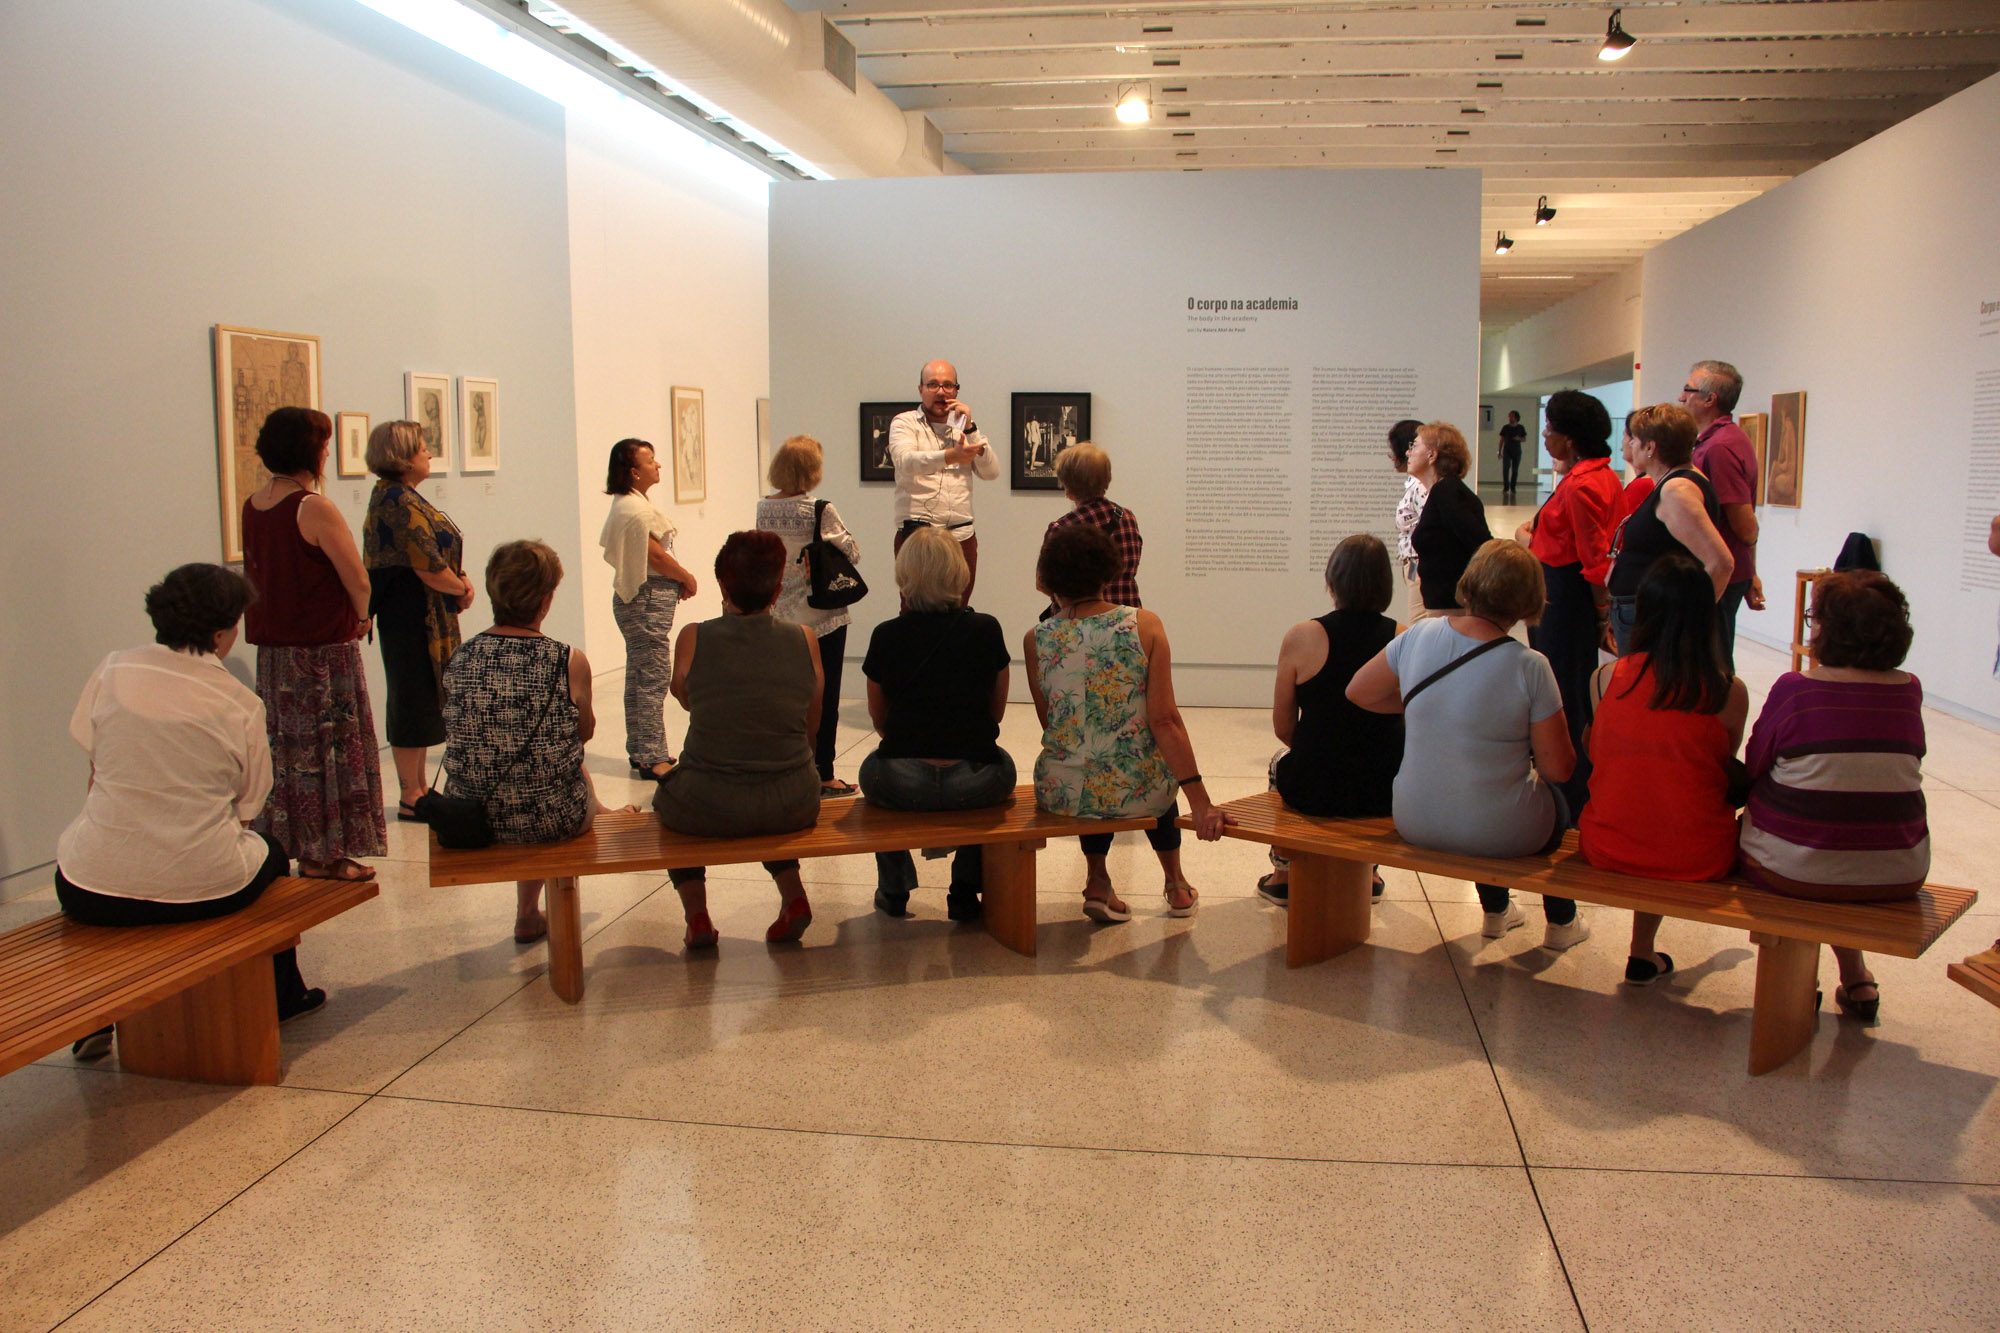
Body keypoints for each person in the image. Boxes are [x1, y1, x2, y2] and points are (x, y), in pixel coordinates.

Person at [56, 564, 325, 1060]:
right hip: (203, 890)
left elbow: (95, 765)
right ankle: (285, 997)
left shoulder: (113, 669)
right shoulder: (239, 702)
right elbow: (248, 805)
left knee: (99, 859)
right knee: (273, 853)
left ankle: (95, 1017)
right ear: (220, 634)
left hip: (89, 889)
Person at [1347, 539, 1588, 950]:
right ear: (1530, 597)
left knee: (1484, 789)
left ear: (1471, 582)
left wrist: (1428, 709)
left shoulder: (1419, 634)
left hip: (1414, 818)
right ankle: (1562, 922)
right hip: (1497, 830)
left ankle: (1497, 911)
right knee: (1555, 804)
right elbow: (1558, 768)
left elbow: (1359, 691)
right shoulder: (1531, 665)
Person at [1738, 571, 1928, 1022]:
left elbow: (1755, 765)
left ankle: (1799, 984)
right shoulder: (1909, 689)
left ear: (1828, 628)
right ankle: (1855, 974)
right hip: (1899, 867)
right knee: (1843, 821)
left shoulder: (1797, 688)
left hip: (1795, 869)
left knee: (1808, 830)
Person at [1026, 524, 1227, 922]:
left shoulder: (1037, 638)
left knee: (1094, 768)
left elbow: (1051, 722)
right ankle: (1176, 884)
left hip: (1061, 792)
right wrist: (1200, 802)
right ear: (1109, 572)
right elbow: (1165, 721)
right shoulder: (1144, 625)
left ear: (1048, 578)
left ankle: (1097, 879)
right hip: (1140, 792)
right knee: (1150, 770)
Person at [442, 541, 629, 944]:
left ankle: (527, 912)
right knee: (556, 764)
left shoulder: (461, 656)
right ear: (545, 601)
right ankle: (599, 814)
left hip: (470, 816)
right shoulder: (566, 659)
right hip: (552, 819)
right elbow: (584, 733)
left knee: (533, 763)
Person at [1577, 554, 1749, 985]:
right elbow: (1714, 768)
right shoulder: (1728, 691)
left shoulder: (1605, 679)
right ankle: (1640, 951)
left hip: (1608, 843)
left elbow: (1605, 757)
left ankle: (1642, 951)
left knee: (1647, 794)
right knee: (1678, 801)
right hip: (1697, 855)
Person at [654, 531, 824, 948]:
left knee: (670, 796)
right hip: (793, 801)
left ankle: (696, 914)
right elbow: (810, 728)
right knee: (766, 790)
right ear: (778, 590)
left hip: (707, 801)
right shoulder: (804, 638)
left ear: (722, 586)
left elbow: (686, 698)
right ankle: (794, 896)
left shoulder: (694, 636)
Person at [240, 406, 386, 882]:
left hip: (275, 658)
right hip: (322, 655)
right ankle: (327, 853)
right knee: (330, 750)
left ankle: (297, 847)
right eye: (324, 446)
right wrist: (362, 616)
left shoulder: (254, 505)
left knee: (289, 754)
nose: (327, 453)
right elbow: (356, 578)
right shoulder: (313, 507)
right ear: (310, 452)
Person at [860, 527, 1015, 921]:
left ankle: (894, 888)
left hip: (901, 782)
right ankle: (964, 888)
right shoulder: (986, 629)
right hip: (976, 782)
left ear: (904, 575)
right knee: (1003, 763)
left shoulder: (885, 635)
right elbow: (996, 713)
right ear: (959, 572)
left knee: (871, 768)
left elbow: (879, 719)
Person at [1258, 534, 1405, 905]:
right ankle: (1370, 871)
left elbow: (1283, 727)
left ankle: (1283, 872)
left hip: (1315, 788)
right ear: (1385, 584)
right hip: (1384, 790)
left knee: (1279, 762)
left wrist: (1322, 748)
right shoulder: (1403, 637)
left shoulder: (1303, 636)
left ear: (1332, 580)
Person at [362, 419, 475, 820]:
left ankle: (420, 788)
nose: (428, 453)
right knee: (411, 699)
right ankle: (411, 792)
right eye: (422, 447)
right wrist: (461, 588)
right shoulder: (397, 500)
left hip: (422, 614)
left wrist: (459, 581)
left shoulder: (401, 495)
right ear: (403, 457)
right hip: (410, 617)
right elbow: (427, 564)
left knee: (422, 699)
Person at [1516, 390, 1621, 803]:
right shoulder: (1600, 475)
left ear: (1570, 439)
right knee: (1568, 686)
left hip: (1566, 598)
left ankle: (1569, 790)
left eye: (1550, 429)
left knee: (1562, 691)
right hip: (1564, 593)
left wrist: (1601, 613)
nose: (1544, 436)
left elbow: (1594, 559)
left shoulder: (1581, 484)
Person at [756, 434, 863, 796]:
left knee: (785, 694)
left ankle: (785, 766)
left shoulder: (763, 508)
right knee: (825, 695)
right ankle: (823, 772)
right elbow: (852, 552)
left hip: (779, 615)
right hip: (822, 615)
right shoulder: (819, 509)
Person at [600, 437, 700, 781]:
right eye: (650, 461)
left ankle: (641, 749)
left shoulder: (628, 504)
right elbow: (653, 555)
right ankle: (652, 757)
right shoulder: (634, 509)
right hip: (645, 603)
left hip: (642, 601)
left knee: (639, 676)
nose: (658, 465)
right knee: (652, 678)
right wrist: (685, 576)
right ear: (633, 471)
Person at [1606, 404, 1735, 653]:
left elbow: (1721, 562)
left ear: (1651, 447)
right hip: (1646, 613)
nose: (1630, 445)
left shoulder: (1676, 490)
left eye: (1635, 439)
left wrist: (1686, 621)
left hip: (1653, 619)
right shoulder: (1676, 481)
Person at [889, 359, 1001, 603]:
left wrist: (970, 428)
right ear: (921, 389)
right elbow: (906, 462)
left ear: (957, 390)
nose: (941, 392)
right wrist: (951, 456)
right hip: (919, 537)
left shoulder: (964, 427)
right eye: (933, 385)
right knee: (914, 610)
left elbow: (991, 472)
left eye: (948, 385)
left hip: (961, 534)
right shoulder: (905, 422)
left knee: (959, 611)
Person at [1681, 360, 1763, 669]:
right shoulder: (1715, 441)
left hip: (1717, 572)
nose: (1681, 397)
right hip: (1717, 569)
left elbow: (1744, 524)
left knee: (1711, 663)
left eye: (1688, 390)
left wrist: (1749, 569)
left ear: (1709, 399)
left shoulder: (1720, 447)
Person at [1043, 442, 1142, 609]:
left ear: (1067, 486)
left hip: (1078, 619)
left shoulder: (1062, 528)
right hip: (1127, 617)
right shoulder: (1127, 517)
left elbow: (1044, 584)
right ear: (1107, 479)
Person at [1407, 421, 1492, 617]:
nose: (1408, 452)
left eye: (1415, 446)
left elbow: (1480, 543)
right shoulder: (1444, 491)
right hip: (1446, 605)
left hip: (1452, 609)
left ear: (1432, 455)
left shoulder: (1446, 491)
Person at [1389, 419, 1427, 622]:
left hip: (1420, 565)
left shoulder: (1420, 487)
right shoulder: (1416, 484)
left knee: (1419, 622)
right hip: (1415, 564)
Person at [1498, 410, 1527, 499]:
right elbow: (1501, 440)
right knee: (1505, 468)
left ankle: (1513, 487)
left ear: (1516, 418)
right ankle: (1506, 487)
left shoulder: (1520, 427)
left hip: (1517, 451)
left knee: (1515, 470)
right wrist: (1499, 451)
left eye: (1512, 416)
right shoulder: (1505, 427)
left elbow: (1524, 439)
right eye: (1509, 416)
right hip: (1507, 450)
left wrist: (1519, 438)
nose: (1510, 418)